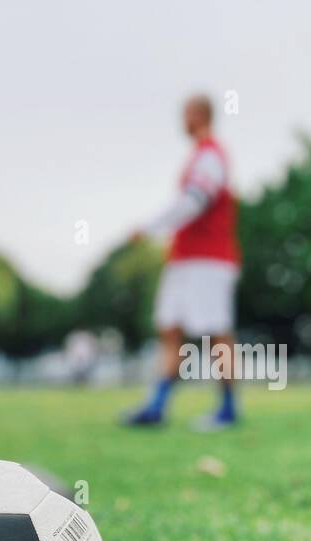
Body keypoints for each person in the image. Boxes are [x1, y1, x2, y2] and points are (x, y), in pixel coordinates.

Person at [123, 94, 240, 429]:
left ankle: (228, 409)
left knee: (216, 333)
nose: (182, 120)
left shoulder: (211, 156)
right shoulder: (198, 156)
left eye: (186, 114)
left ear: (199, 116)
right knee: (170, 327)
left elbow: (194, 202)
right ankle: (157, 405)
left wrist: (150, 227)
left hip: (209, 259)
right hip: (185, 259)